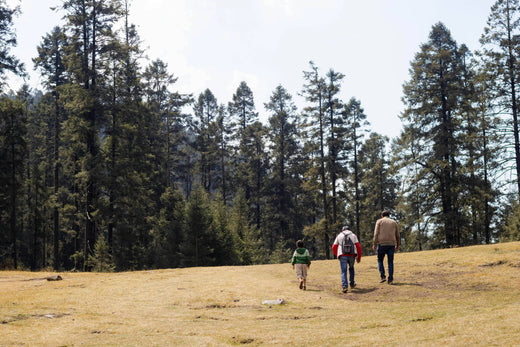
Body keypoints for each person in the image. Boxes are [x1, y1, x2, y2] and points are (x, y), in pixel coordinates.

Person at [372, 210, 400, 285]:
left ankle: (383, 276)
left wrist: (374, 243)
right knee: (390, 262)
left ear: (382, 216)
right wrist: (398, 245)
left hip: (381, 244)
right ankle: (390, 279)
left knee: (380, 260)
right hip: (391, 244)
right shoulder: (394, 222)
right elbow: (397, 235)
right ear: (389, 216)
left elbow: (376, 233)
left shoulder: (379, 221)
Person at [332, 224, 362, 293]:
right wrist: (358, 257)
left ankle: (345, 286)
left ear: (342, 230)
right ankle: (352, 283)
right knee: (351, 268)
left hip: (343, 255)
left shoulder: (339, 236)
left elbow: (334, 247)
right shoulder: (353, 235)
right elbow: (358, 246)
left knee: (343, 271)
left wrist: (338, 255)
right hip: (352, 255)